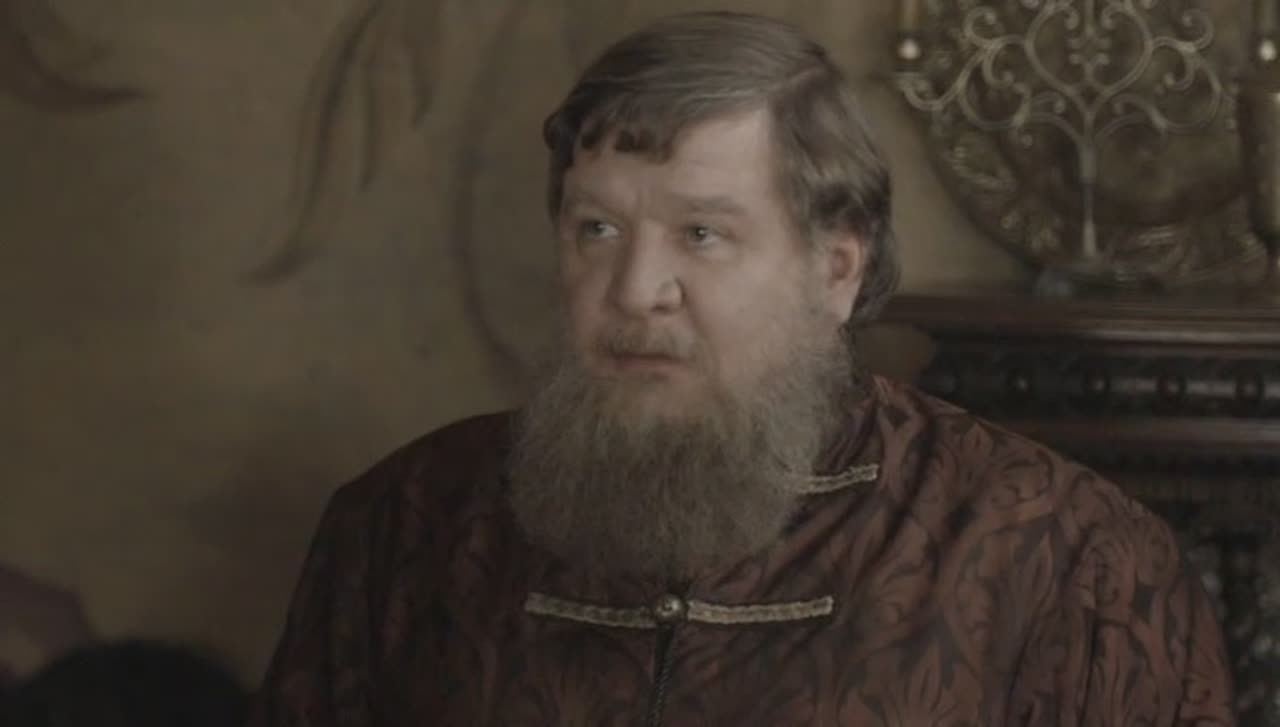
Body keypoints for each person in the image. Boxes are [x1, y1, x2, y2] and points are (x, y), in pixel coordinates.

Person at [247, 10, 1235, 726]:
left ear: (835, 270)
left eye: (701, 234)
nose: (636, 289)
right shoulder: (403, 527)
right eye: (597, 229)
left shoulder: (1067, 559)